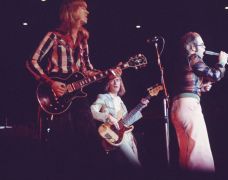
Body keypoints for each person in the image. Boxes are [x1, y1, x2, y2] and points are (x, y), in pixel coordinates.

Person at [25, 0, 114, 179]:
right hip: (56, 93)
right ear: (73, 12)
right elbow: (31, 62)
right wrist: (50, 83)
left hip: (77, 95)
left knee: (88, 135)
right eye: (84, 9)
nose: (88, 12)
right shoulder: (53, 35)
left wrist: (108, 73)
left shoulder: (83, 40)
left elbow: (87, 70)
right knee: (64, 138)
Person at [170, 32, 228, 172]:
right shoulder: (193, 57)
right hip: (189, 107)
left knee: (187, 153)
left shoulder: (182, 61)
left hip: (178, 107)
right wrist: (221, 63)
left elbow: (184, 85)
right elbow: (215, 75)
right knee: (199, 154)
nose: (204, 48)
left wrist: (201, 87)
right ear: (192, 47)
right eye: (202, 45)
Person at [90, 73, 149, 168]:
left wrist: (140, 106)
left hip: (128, 136)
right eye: (112, 79)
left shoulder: (121, 102)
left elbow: (127, 121)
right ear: (108, 83)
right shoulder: (103, 97)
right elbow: (92, 112)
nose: (116, 82)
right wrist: (108, 116)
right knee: (136, 166)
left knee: (133, 167)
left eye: (118, 80)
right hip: (110, 134)